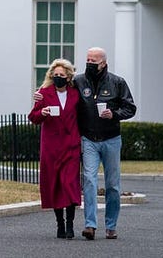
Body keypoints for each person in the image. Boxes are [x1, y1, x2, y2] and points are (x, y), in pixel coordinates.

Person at [38, 47, 136, 240]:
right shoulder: (79, 81)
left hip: (111, 139)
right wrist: (40, 95)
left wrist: (114, 114)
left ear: (103, 64)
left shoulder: (117, 82)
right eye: (88, 60)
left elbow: (130, 108)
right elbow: (59, 90)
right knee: (89, 181)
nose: (90, 63)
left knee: (112, 185)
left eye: (94, 61)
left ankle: (111, 225)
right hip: (89, 139)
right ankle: (90, 225)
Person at [28, 59, 82, 239]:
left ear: (68, 77)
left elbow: (83, 116)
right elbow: (33, 117)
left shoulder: (75, 94)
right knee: (56, 184)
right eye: (55, 75)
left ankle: (70, 225)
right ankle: (60, 224)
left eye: (62, 75)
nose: (58, 77)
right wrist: (41, 113)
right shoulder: (43, 93)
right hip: (51, 147)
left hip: (71, 146)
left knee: (70, 185)